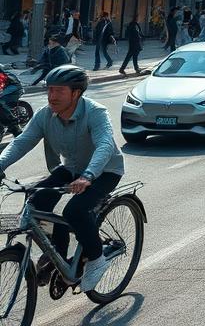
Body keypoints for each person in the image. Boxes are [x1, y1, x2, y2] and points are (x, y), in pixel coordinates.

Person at [0, 65, 124, 292]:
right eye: (49, 90)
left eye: (59, 91)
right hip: (71, 168)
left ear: (76, 93)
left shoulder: (95, 112)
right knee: (35, 202)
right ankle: (58, 254)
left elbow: (105, 145)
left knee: (75, 211)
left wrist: (88, 175)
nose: (51, 96)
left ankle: (96, 259)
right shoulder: (45, 114)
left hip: (104, 171)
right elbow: (21, 142)